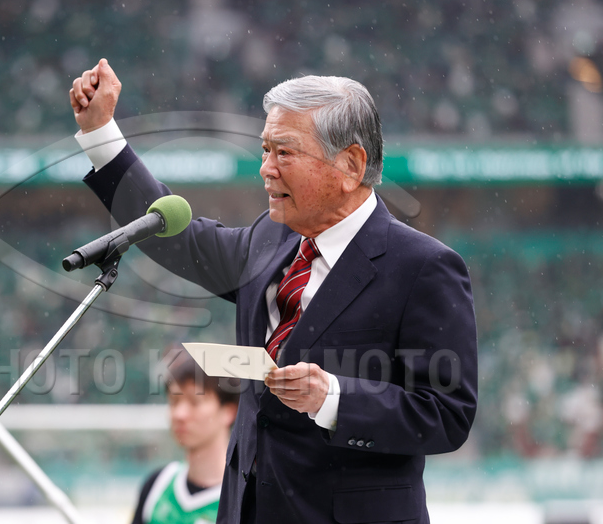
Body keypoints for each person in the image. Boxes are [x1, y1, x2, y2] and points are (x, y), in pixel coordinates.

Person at [70, 58, 478, 524]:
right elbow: (176, 237)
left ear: (350, 164)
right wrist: (101, 134)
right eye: (265, 150)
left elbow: (447, 415)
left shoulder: (424, 267)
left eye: (284, 153)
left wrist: (333, 397)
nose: (266, 169)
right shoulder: (270, 236)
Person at [131, 349, 238, 524]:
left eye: (195, 402)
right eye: (174, 401)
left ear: (229, 411)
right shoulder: (157, 486)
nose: (179, 414)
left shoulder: (246, 499)